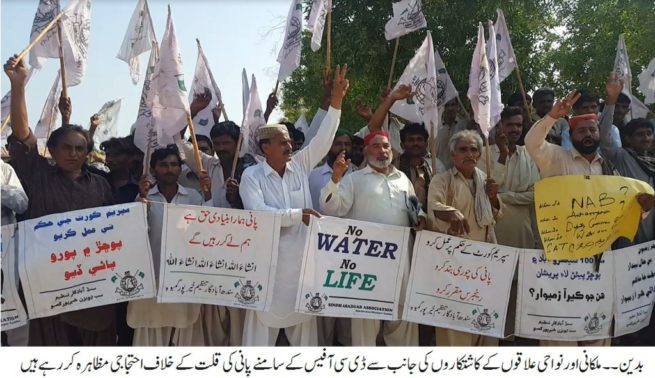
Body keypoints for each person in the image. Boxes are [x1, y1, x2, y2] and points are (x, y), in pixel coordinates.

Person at [524, 73, 654, 347]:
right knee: (560, 336)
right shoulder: (555, 159)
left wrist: (643, 209)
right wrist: (552, 117)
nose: (588, 134)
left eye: (592, 130)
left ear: (599, 134)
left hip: (599, 260)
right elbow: (532, 143)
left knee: (597, 334)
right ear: (571, 135)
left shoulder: (608, 168)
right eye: (581, 131)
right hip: (560, 259)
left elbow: (623, 211)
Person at [4, 55, 115, 346]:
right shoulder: (38, 176)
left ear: (87, 153)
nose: (73, 153)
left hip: (94, 291)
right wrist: (18, 85)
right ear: (51, 150)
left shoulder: (102, 186)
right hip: (48, 288)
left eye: (80, 148)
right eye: (66, 147)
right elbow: (22, 134)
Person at [238, 65, 349, 346]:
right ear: (266, 148)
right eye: (282, 142)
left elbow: (322, 142)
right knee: (258, 342)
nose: (290, 146)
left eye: (289, 141)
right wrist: (297, 215)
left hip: (302, 267)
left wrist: (336, 103)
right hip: (267, 269)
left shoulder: (299, 165)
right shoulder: (251, 177)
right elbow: (258, 214)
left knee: (305, 342)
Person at [320, 130, 424, 346]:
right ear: (366, 151)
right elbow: (331, 208)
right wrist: (335, 177)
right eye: (376, 146)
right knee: (366, 319)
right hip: (367, 262)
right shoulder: (354, 179)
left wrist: (422, 219)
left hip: (400, 258)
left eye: (386, 146)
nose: (383, 151)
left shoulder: (403, 179)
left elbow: (414, 209)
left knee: (401, 314)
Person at [127, 145, 212, 346]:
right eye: (163, 165)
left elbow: (207, 231)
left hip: (184, 276)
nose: (169, 169)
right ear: (154, 169)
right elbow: (135, 235)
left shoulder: (193, 197)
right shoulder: (144, 199)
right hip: (153, 274)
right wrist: (142, 201)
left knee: (185, 329)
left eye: (174, 164)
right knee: (150, 331)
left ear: (180, 169)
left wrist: (208, 194)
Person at [427, 130, 502, 346]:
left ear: (479, 154)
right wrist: (450, 212)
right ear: (453, 155)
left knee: (484, 324)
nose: (469, 153)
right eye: (463, 149)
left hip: (484, 262)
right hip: (454, 265)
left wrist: (494, 198)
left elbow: (497, 215)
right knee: (454, 326)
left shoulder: (485, 181)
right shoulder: (442, 180)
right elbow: (433, 207)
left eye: (473, 149)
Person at [482, 107, 540, 249]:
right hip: (493, 232)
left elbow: (535, 194)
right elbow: (486, 192)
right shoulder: (485, 154)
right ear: (500, 127)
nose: (515, 129)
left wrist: (502, 197)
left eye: (518, 125)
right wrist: (502, 155)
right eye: (510, 125)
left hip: (522, 231)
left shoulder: (528, 154)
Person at [1, 159, 28, 346]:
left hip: (5, 252)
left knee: (10, 306)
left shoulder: (4, 169)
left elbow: (22, 204)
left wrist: (1, 189)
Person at [398, 123, 446, 211]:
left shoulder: (433, 168)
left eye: (419, 139)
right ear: (402, 145)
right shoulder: (394, 167)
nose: (415, 143)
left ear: (426, 144)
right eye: (411, 140)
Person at [308, 131, 354, 210]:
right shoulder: (313, 175)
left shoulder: (357, 174)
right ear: (329, 146)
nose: (343, 148)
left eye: (347, 144)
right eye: (338, 144)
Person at [436, 98, 469, 168]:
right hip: (440, 173)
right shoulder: (435, 128)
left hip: (460, 172)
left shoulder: (464, 126)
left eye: (452, 105)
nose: (450, 108)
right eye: (447, 105)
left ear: (457, 106)